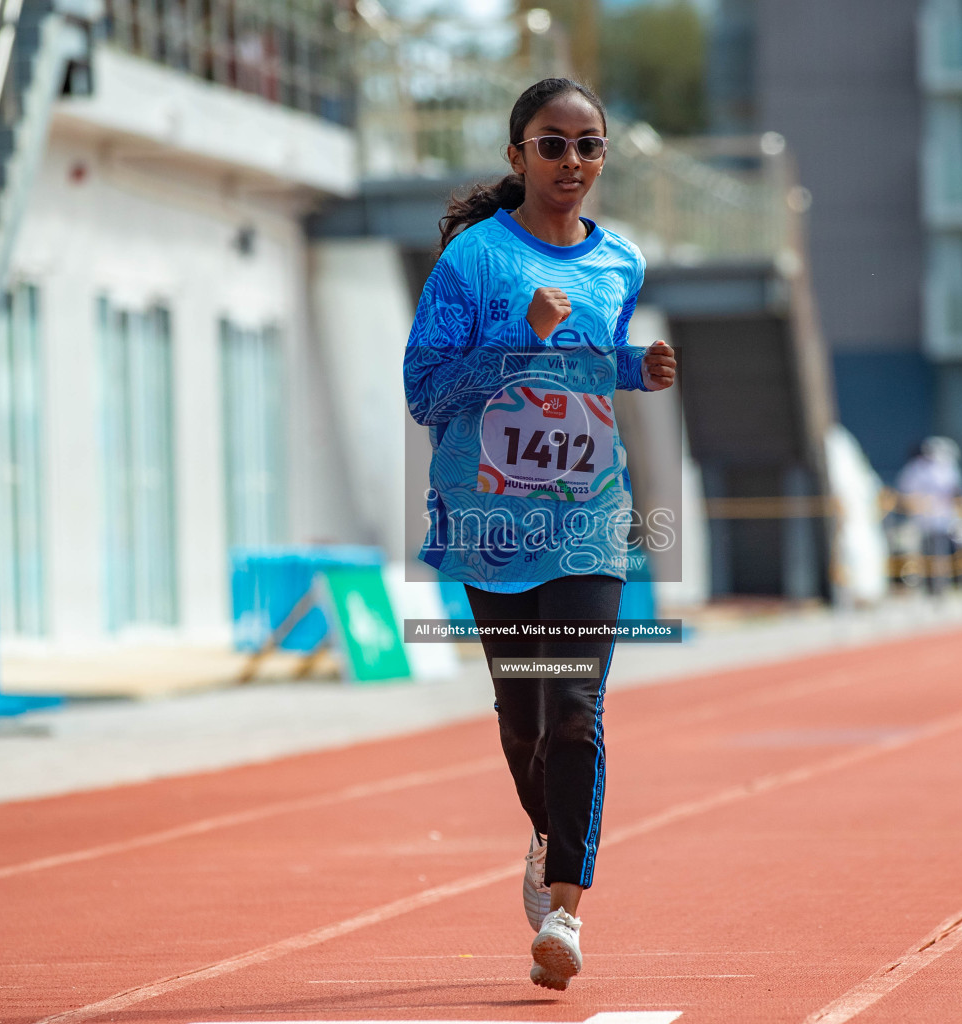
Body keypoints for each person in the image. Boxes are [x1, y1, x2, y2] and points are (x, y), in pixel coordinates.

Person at [403, 78, 677, 991]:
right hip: (490, 525)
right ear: (518, 153)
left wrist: (635, 368)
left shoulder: (619, 264)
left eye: (589, 145)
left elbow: (588, 369)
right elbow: (426, 394)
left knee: (573, 710)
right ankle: (550, 832)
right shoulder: (473, 264)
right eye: (552, 145)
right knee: (522, 721)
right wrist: (519, 336)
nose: (572, 163)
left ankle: (564, 909)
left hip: (590, 520)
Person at [896, 437, 961, 596]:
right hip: (922, 521)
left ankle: (941, 587)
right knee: (924, 555)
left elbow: (954, 491)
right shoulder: (916, 469)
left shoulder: (946, 467)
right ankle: (927, 587)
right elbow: (905, 493)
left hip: (943, 520)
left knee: (942, 555)